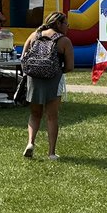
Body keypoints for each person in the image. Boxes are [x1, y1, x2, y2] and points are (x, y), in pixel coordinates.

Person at [22, 12, 75, 159]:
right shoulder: (64, 41)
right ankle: (51, 153)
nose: (68, 27)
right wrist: (57, 70)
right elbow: (70, 66)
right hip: (53, 80)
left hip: (34, 80)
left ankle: (30, 143)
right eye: (66, 24)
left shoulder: (34, 35)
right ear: (58, 24)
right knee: (52, 117)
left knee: (35, 114)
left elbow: (23, 58)